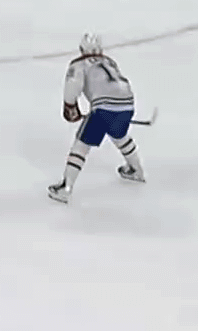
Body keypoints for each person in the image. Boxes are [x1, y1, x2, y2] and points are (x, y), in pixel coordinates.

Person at [48, 33, 144, 204]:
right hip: (127, 104)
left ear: (82, 49)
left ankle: (66, 188)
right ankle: (136, 170)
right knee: (119, 135)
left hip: (103, 108)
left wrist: (70, 107)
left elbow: (73, 87)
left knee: (81, 145)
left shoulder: (78, 64)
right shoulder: (110, 62)